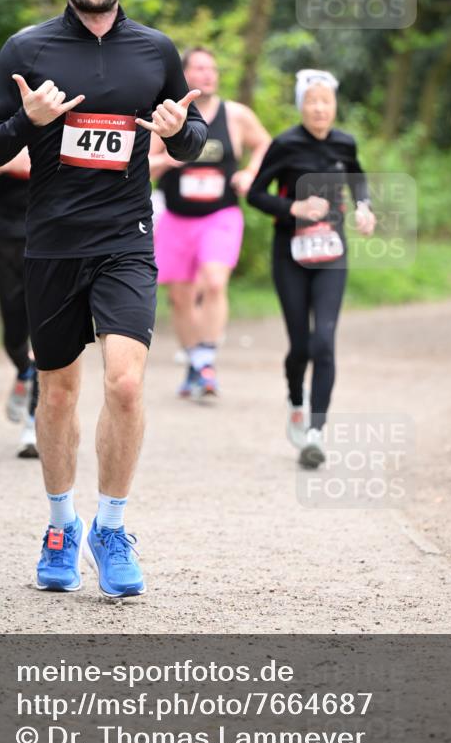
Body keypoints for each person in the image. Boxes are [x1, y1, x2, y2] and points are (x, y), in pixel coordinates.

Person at [0, 0, 207, 597]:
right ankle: (59, 526)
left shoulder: (154, 50)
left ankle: (112, 527)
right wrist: (28, 122)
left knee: (125, 384)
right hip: (52, 243)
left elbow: (192, 136)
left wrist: (179, 133)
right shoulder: (27, 48)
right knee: (59, 391)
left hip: (126, 239)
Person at [247, 69, 375, 466]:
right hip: (290, 253)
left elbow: (357, 179)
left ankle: (316, 431)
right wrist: (294, 207)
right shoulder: (285, 144)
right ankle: (295, 399)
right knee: (301, 345)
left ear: (335, 106)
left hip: (332, 252)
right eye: (312, 101)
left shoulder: (344, 143)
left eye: (326, 101)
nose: (320, 108)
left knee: (324, 342)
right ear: (301, 105)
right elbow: (255, 194)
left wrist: (364, 207)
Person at [150, 47, 270, 397]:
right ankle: (195, 363)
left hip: (221, 215)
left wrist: (250, 173)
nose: (208, 74)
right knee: (180, 297)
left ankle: (205, 360)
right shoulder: (169, 116)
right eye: (200, 68)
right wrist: (165, 162)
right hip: (176, 217)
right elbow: (142, 162)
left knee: (215, 283)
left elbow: (265, 144)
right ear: (184, 74)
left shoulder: (236, 115)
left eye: (212, 69)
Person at [0, 146, 39, 458]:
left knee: (44, 332)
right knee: (14, 334)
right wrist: (5, 160)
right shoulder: (5, 122)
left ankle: (33, 424)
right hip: (4, 235)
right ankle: (24, 371)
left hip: (50, 237)